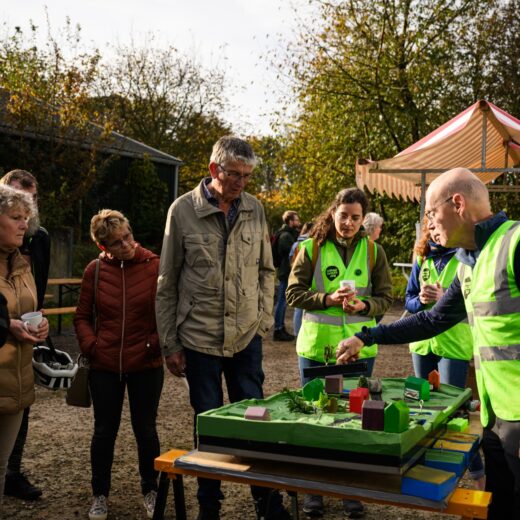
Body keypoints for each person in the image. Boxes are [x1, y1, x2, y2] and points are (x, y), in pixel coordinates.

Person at [336, 168, 520, 520]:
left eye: (432, 214)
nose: (429, 224)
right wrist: (366, 335)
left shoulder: (514, 243)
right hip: (496, 417)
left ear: (458, 204)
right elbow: (431, 319)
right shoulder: (469, 263)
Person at [156, 136, 290, 520]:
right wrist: (170, 344)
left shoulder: (255, 209)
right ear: (215, 170)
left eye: (248, 176)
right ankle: (209, 508)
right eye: (235, 175)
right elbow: (167, 282)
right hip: (199, 338)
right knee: (209, 422)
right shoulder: (182, 211)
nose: (242, 183)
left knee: (255, 420)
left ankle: (267, 504)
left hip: (246, 335)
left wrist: (264, 319)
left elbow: (267, 270)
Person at [286, 188, 392, 519]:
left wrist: (366, 305)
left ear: (363, 220)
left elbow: (386, 298)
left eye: (355, 217)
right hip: (318, 348)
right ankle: (315, 491)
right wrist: (326, 299)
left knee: (353, 419)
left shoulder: (375, 252)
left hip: (359, 349)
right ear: (333, 212)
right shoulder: (310, 248)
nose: (347, 222)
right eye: (343, 215)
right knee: (316, 417)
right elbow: (292, 294)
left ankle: (349, 491)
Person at [74, 210, 163, 520]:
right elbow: (82, 316)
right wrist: (92, 346)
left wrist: (155, 342)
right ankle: (99, 494)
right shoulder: (94, 271)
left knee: (146, 430)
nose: (127, 244)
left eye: (128, 236)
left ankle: (151, 491)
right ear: (103, 246)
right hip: (105, 364)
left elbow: (166, 311)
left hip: (146, 363)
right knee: (103, 431)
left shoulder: (154, 266)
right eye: (117, 242)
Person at [406, 218, 485, 485]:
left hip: (453, 344)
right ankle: (425, 463)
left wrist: (445, 301)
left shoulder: (466, 257)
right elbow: (409, 298)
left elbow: (476, 298)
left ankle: (476, 470)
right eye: (430, 225)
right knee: (423, 405)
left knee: (455, 410)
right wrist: (421, 301)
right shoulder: (421, 256)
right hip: (422, 343)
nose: (435, 231)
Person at [0, 169, 50, 501]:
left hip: (16, 379)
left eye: (26, 216)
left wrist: (40, 325)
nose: (24, 224)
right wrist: (7, 325)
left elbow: (34, 299)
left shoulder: (22, 263)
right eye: (16, 216)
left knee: (1, 464)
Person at [273, 210, 301, 341]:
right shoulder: (285, 236)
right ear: (290, 221)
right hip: (285, 272)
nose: (298, 222)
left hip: (286, 272)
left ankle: (280, 327)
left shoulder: (288, 234)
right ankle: (278, 329)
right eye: (296, 220)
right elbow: (292, 254)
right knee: (282, 301)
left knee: (283, 301)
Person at [289, 222, 313, 336]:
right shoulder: (311, 243)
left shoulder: (296, 243)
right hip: (310, 275)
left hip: (297, 274)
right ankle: (300, 333)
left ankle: (297, 332)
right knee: (304, 306)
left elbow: (291, 257)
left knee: (298, 308)